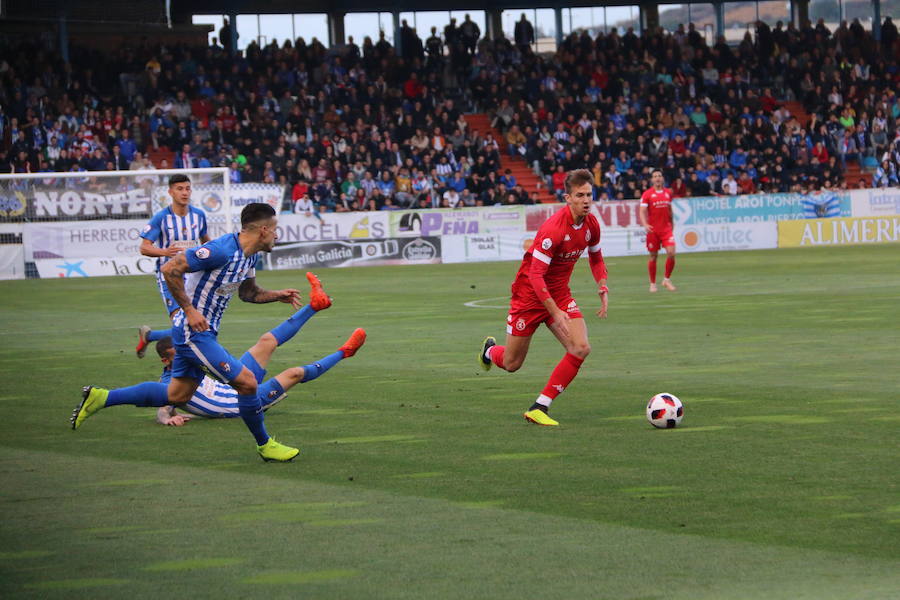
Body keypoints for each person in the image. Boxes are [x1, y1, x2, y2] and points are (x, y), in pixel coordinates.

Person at [73, 203, 305, 462]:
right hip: (192, 333)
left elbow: (248, 293)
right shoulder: (220, 250)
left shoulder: (249, 256)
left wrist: (277, 295)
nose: (277, 235)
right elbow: (170, 269)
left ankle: (102, 397)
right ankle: (265, 445)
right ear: (263, 230)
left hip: (203, 333)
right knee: (248, 383)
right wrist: (190, 310)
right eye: (275, 230)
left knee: (177, 395)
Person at [103, 277, 363, 426]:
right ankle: (344, 352)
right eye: (179, 350)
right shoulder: (171, 383)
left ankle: (315, 306)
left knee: (266, 341)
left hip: (236, 384)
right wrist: (166, 419)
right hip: (242, 403)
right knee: (294, 372)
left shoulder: (193, 364)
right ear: (165, 359)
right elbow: (164, 406)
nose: (186, 351)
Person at [478, 169, 609, 427]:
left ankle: (539, 406)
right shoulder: (553, 230)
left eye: (589, 195)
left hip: (559, 293)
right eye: (580, 195)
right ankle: (490, 351)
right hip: (529, 295)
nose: (586, 200)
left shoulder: (591, 224)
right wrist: (555, 312)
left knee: (581, 347)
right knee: (512, 363)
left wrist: (602, 285)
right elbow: (536, 275)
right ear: (567, 198)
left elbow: (596, 257)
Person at [135, 174, 209, 358]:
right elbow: (144, 248)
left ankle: (150, 336)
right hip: (169, 276)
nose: (184, 193)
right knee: (183, 324)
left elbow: (206, 241)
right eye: (179, 189)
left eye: (187, 188)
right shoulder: (161, 218)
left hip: (194, 276)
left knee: (195, 323)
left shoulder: (199, 216)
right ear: (170, 192)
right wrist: (165, 252)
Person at [639, 169, 677, 293]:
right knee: (653, 256)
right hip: (653, 230)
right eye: (655, 176)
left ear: (662, 178)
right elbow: (642, 211)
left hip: (666, 229)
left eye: (659, 176)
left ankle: (666, 279)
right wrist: (645, 224)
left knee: (671, 253)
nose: (657, 178)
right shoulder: (647, 194)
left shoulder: (668, 193)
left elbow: (670, 210)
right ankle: (653, 283)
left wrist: (672, 223)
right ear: (652, 180)